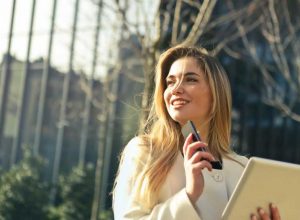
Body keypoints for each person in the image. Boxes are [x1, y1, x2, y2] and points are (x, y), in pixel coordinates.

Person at [112, 45, 281, 220]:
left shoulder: (242, 169)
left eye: (190, 80)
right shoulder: (146, 152)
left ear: (216, 93)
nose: (176, 89)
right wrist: (189, 195)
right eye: (170, 82)